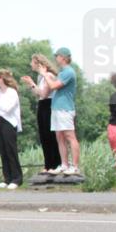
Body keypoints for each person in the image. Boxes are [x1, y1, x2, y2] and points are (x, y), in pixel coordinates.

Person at [40, 47, 80, 175]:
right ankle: (64, 164)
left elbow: (53, 86)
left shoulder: (68, 72)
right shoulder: (62, 72)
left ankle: (75, 166)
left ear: (63, 57)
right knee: (60, 137)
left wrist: (44, 74)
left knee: (70, 136)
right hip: (57, 108)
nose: (55, 58)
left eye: (57, 56)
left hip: (65, 108)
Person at [21, 54, 61, 174]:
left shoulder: (49, 75)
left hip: (49, 105)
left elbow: (44, 94)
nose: (30, 64)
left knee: (50, 135)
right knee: (43, 136)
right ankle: (48, 164)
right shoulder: (40, 77)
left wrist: (32, 84)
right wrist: (31, 83)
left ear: (38, 64)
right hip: (42, 105)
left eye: (32, 62)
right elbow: (38, 94)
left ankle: (55, 164)